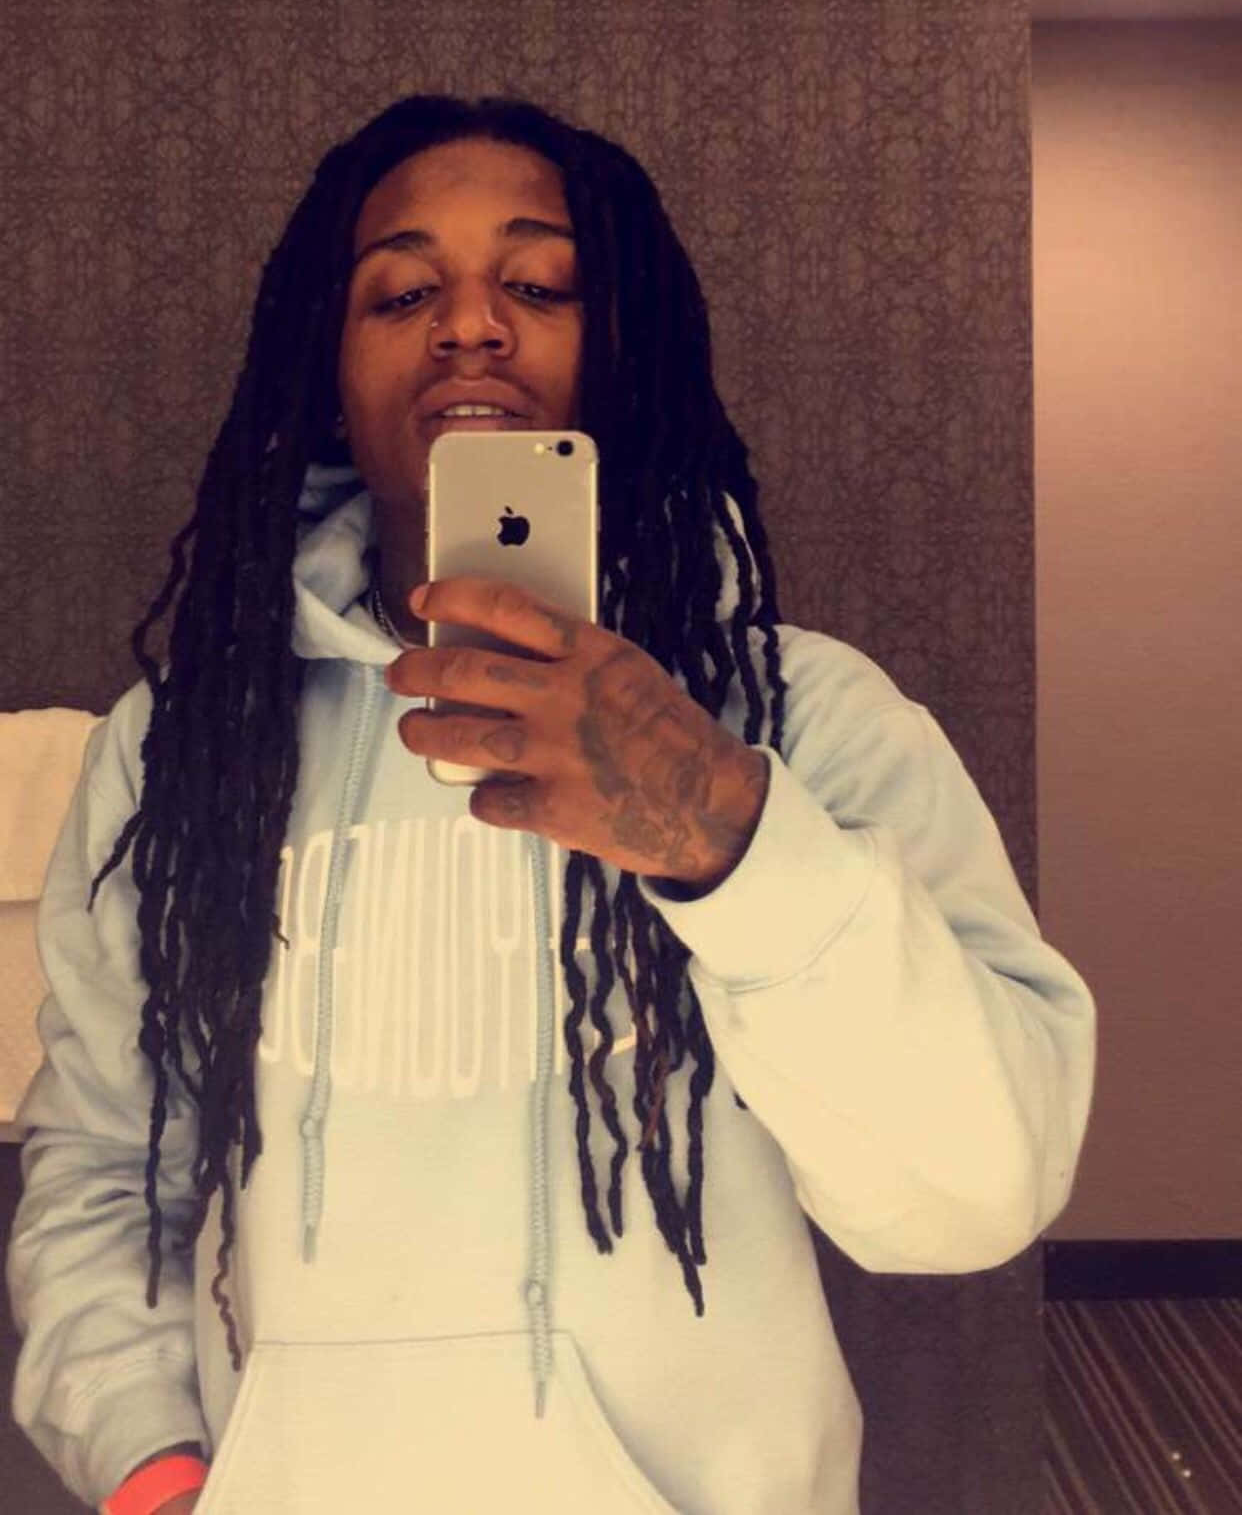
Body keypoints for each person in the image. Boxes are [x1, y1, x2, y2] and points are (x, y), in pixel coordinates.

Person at [6, 92, 1096, 1515]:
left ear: (620, 348)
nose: (470, 324)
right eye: (402, 291)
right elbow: (102, 1163)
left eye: (538, 285)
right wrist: (150, 1469)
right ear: (328, 366)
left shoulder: (807, 718)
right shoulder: (186, 751)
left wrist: (724, 831)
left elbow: (976, 1192)